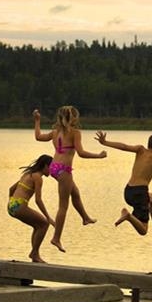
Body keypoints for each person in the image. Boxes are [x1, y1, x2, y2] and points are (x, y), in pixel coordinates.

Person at [33, 106, 107, 252]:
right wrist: (98, 156)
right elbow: (81, 153)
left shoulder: (55, 132)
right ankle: (56, 238)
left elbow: (38, 137)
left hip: (54, 167)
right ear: (74, 118)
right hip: (64, 170)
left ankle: (85, 218)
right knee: (63, 206)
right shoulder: (75, 133)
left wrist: (37, 121)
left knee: (75, 193)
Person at [7, 154, 56, 263]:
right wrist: (48, 217)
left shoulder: (27, 174)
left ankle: (34, 253)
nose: (52, 171)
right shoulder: (38, 177)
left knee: (38, 225)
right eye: (51, 167)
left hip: (12, 205)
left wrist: (12, 203)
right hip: (20, 205)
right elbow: (38, 200)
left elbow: (11, 189)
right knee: (44, 224)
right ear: (45, 166)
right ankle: (34, 254)